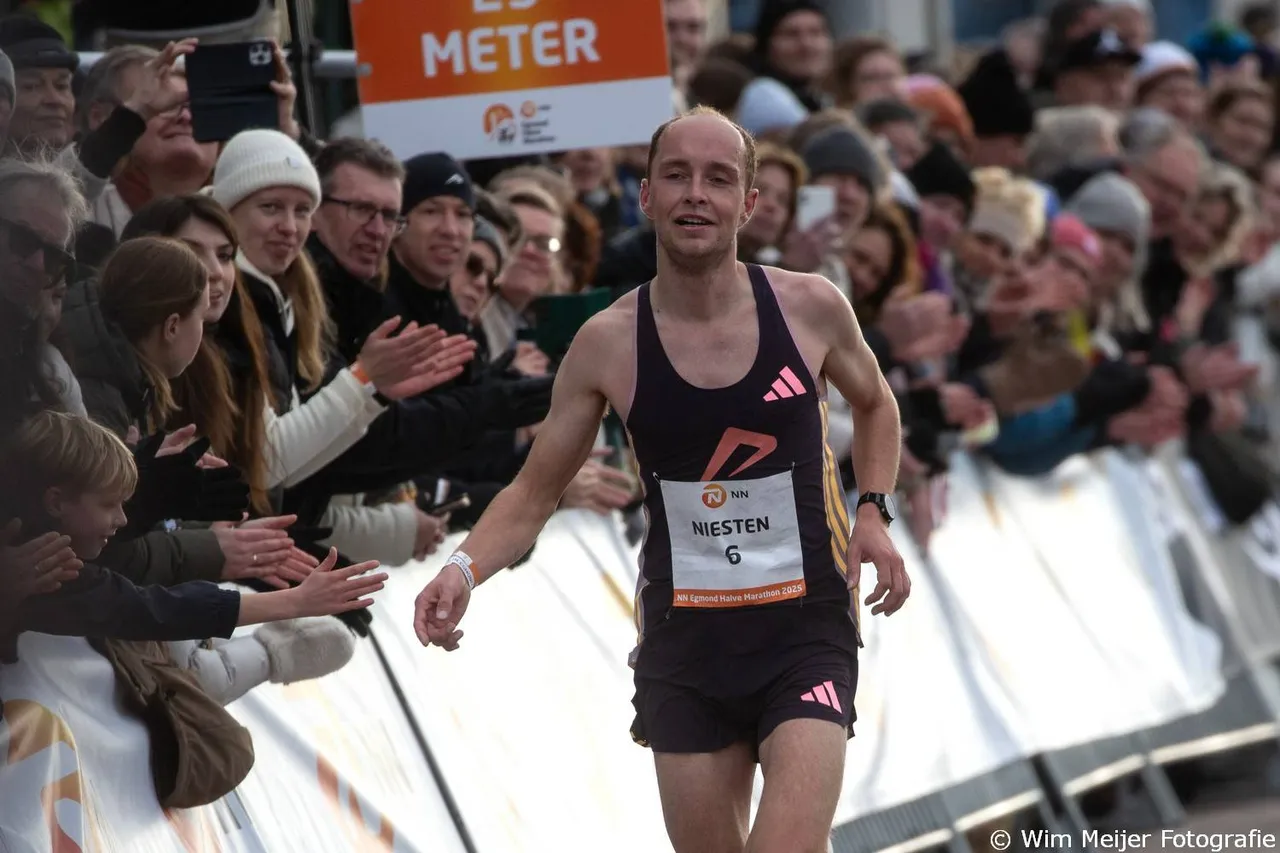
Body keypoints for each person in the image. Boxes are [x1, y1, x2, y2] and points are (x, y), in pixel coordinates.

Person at [414, 107, 911, 852]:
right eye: (676, 175)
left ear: (749, 203)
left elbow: (876, 405)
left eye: (718, 178)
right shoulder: (609, 342)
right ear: (645, 196)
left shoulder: (809, 307)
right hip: (687, 644)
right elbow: (534, 489)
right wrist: (462, 567)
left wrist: (872, 510)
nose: (695, 195)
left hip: (804, 629)